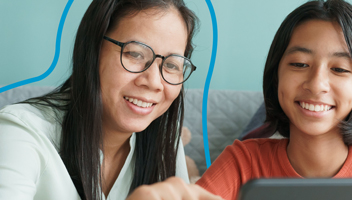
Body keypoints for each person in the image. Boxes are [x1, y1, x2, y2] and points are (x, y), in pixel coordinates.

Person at [0, 0, 220, 200]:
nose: (154, 82)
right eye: (135, 54)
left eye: (172, 65)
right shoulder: (19, 131)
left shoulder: (165, 139)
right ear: (92, 51)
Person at [194, 0, 352, 199]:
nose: (316, 84)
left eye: (339, 69)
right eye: (300, 64)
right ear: (276, 75)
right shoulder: (243, 162)